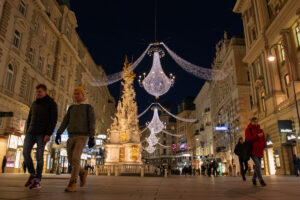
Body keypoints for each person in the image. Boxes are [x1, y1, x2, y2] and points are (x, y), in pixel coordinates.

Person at [56, 87, 95, 192]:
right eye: (75, 94)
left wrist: (92, 137)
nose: (76, 96)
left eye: (78, 94)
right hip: (71, 136)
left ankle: (72, 183)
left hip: (82, 136)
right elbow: (65, 121)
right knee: (70, 159)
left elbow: (92, 122)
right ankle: (82, 172)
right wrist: (58, 133)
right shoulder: (71, 108)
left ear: (83, 95)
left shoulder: (88, 107)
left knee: (75, 157)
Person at [23, 84, 58, 189]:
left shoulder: (51, 103)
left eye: (40, 92)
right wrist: (27, 130)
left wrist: (48, 133)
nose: (37, 93)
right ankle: (32, 174)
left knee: (39, 156)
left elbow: (53, 120)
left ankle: (37, 180)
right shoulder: (34, 103)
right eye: (37, 92)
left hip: (42, 134)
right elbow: (29, 118)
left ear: (45, 92)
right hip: (31, 132)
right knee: (25, 153)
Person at [245, 117, 266, 187]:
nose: (256, 123)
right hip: (253, 151)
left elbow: (263, 139)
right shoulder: (248, 130)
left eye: (257, 122)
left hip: (259, 151)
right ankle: (261, 180)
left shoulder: (260, 130)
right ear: (251, 122)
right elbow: (248, 138)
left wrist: (264, 146)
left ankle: (254, 178)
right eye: (254, 122)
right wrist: (257, 136)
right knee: (258, 165)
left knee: (258, 166)